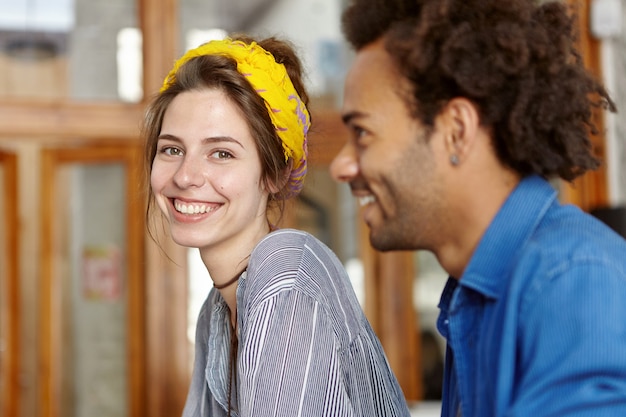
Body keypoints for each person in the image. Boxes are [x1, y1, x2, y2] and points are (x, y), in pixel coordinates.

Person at [330, 1, 626, 416]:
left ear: (456, 131)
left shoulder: (573, 283)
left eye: (362, 132)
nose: (341, 165)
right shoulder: (475, 294)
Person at [142, 34, 410, 417]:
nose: (186, 176)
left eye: (221, 153)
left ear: (276, 175)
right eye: (172, 149)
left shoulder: (285, 277)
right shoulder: (215, 312)